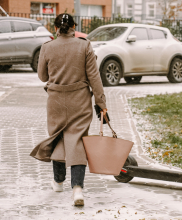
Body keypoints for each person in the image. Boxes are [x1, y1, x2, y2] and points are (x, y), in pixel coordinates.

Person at [30, 13, 107, 206]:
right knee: (78, 140)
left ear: (55, 28)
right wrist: (102, 104)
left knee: (58, 137)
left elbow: (42, 76)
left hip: (56, 101)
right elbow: (94, 78)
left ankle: (58, 181)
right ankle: (77, 189)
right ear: (74, 26)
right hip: (79, 100)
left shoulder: (47, 47)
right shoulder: (84, 46)